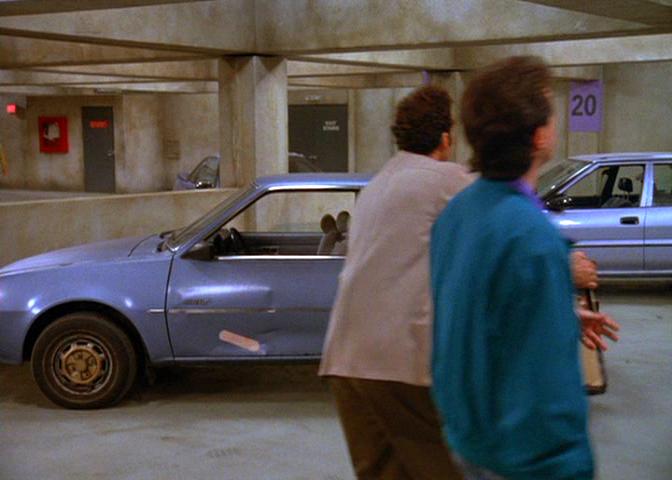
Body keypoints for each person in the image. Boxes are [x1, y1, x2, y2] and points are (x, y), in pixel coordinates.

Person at [430, 56, 619, 480]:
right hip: (523, 461)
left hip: (468, 440)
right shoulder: (532, 236)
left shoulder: (458, 213)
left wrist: (559, 314)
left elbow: (471, 313)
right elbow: (545, 390)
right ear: (538, 135)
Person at [319, 85, 473, 479]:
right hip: (397, 360)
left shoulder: (376, 185)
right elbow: (501, 231)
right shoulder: (450, 180)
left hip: (344, 358)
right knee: (439, 470)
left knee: (383, 472)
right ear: (446, 138)